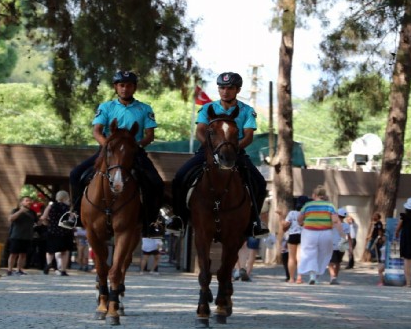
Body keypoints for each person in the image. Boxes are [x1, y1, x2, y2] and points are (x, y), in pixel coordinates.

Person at [65, 70, 164, 237]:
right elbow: (96, 131)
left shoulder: (145, 108)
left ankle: (152, 222)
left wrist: (134, 146)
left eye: (129, 85)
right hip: (107, 151)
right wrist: (109, 147)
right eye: (121, 85)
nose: (125, 89)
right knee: (76, 174)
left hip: (134, 152)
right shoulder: (106, 107)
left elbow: (149, 135)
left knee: (156, 182)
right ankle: (74, 214)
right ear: (116, 87)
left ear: (135, 88)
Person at [171, 72, 269, 238]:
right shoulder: (207, 108)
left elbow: (248, 136)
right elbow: (200, 131)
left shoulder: (247, 110)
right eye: (222, 87)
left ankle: (254, 222)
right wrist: (210, 148)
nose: (225, 91)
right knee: (180, 176)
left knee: (259, 182)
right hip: (208, 151)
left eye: (230, 88)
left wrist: (234, 150)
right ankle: (178, 218)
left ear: (238, 90)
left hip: (235, 152)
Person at [297, 185, 343, 285]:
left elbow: (299, 219)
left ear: (314, 195)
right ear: (324, 195)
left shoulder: (308, 205)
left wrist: (302, 224)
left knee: (309, 253)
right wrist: (342, 235)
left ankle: (312, 275)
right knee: (324, 254)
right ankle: (316, 276)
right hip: (326, 232)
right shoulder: (330, 206)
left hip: (309, 232)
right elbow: (335, 221)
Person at [40, 191, 73, 276]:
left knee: (50, 250)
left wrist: (47, 223)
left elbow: (43, 217)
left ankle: (49, 264)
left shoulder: (50, 206)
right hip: (64, 232)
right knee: (64, 252)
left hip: (52, 230)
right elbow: (70, 220)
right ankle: (63, 270)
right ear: (66, 197)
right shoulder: (68, 208)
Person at [280, 195, 310, 284]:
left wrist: (281, 217)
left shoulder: (291, 213)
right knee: (300, 257)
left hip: (292, 235)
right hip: (303, 236)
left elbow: (285, 225)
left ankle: (291, 278)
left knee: (291, 258)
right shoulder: (307, 214)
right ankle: (299, 278)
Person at [7, 196, 37, 276]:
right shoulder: (16, 210)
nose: (29, 202)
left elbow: (37, 222)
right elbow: (10, 219)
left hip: (27, 236)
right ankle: (9, 270)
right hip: (16, 236)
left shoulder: (32, 212)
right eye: (27, 200)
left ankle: (19, 269)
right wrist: (21, 211)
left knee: (23, 254)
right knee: (13, 254)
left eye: (30, 200)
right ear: (22, 202)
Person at [328, 207, 348, 285]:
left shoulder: (332, 225)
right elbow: (349, 237)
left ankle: (333, 277)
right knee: (338, 263)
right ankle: (334, 277)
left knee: (330, 263)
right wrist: (350, 248)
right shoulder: (347, 226)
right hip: (343, 244)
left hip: (333, 244)